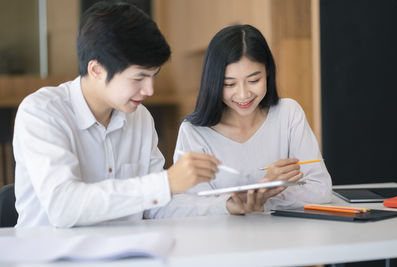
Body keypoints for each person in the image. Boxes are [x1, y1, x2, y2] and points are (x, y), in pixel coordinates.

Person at [12, 1, 220, 228]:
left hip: (125, 254)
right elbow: (64, 207)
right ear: (96, 70)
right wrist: (166, 183)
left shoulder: (139, 118)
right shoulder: (42, 112)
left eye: (154, 75)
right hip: (52, 258)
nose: (149, 90)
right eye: (138, 78)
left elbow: (156, 205)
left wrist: (226, 205)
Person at [148, 24, 332, 217]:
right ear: (213, 82)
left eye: (254, 81)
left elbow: (320, 189)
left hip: (284, 237)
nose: (243, 94)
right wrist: (238, 202)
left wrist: (265, 198)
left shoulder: (288, 114)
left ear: (268, 73)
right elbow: (186, 204)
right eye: (229, 84)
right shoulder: (194, 131)